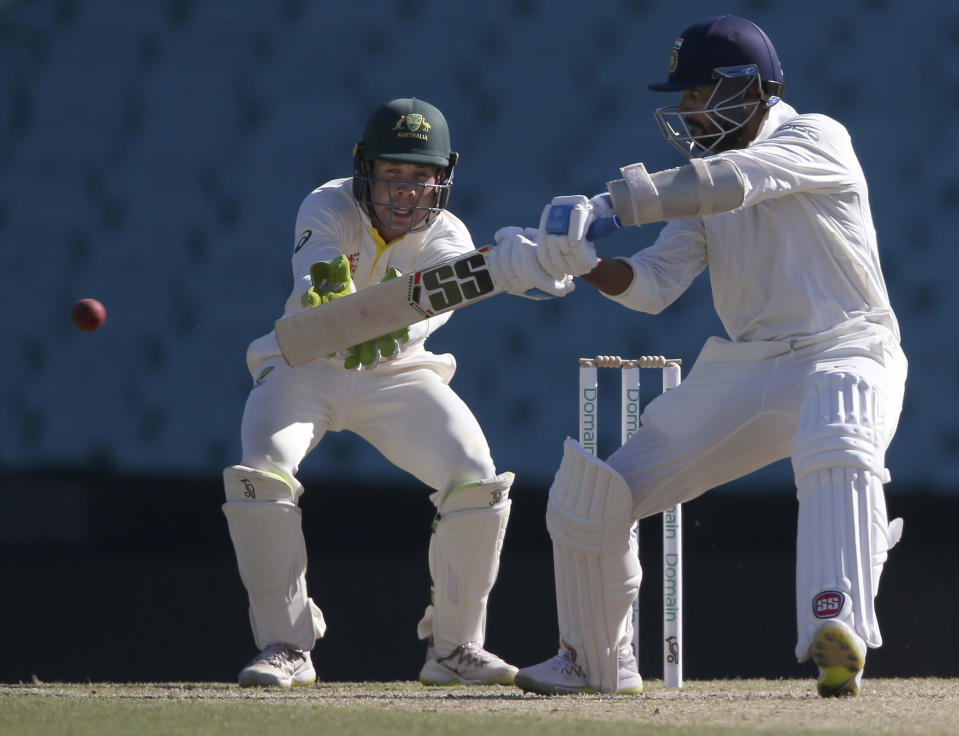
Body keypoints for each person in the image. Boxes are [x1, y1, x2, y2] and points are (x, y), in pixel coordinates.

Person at [493, 15, 907, 697]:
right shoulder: (700, 179)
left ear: (748, 90)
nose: (684, 109)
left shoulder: (815, 137)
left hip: (849, 348)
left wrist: (608, 204)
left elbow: (732, 183)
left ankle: (838, 632)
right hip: (751, 370)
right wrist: (583, 261)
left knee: (836, 434)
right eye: (681, 96)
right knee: (590, 497)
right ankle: (595, 661)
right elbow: (653, 285)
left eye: (695, 92)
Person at [221, 97, 562, 688]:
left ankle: (455, 651)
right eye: (393, 174)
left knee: (477, 479)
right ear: (365, 170)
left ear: (442, 179)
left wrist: (517, 268)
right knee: (260, 472)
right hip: (308, 364)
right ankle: (285, 644)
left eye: (421, 177)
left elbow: (432, 309)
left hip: (399, 372)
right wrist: (329, 307)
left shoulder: (449, 234)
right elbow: (314, 287)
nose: (405, 191)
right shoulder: (326, 204)